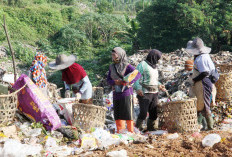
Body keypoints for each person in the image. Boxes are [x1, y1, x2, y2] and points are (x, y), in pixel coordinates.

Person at [107, 47, 141, 133]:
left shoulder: (127, 66)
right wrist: (114, 82)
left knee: (128, 113)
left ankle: (131, 131)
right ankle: (120, 132)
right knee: (118, 114)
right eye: (112, 55)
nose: (113, 57)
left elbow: (137, 74)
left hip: (126, 93)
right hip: (116, 93)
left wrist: (128, 82)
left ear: (120, 55)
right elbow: (108, 80)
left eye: (114, 55)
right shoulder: (111, 67)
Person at [186, 37, 217, 130]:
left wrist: (195, 80)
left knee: (205, 104)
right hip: (204, 81)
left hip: (204, 81)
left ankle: (210, 127)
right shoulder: (203, 56)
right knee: (202, 104)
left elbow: (205, 73)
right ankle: (203, 126)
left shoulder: (202, 58)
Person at [133, 49, 165, 131]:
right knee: (143, 113)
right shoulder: (142, 65)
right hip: (144, 93)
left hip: (154, 92)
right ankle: (138, 128)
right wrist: (138, 89)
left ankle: (152, 129)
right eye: (157, 58)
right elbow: (136, 78)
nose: (157, 60)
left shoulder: (154, 67)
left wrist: (159, 85)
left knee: (153, 112)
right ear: (153, 57)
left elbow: (154, 79)